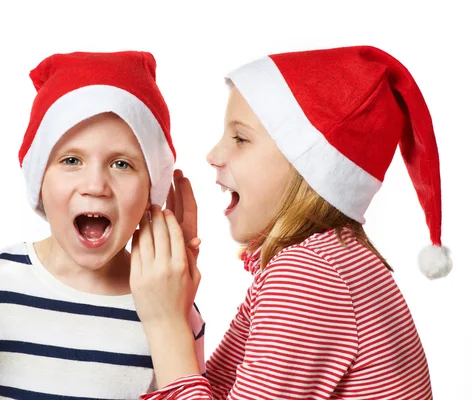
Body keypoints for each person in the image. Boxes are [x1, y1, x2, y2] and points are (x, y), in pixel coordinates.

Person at [0, 51, 205, 399]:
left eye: (122, 164)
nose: (95, 184)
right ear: (39, 182)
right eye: (71, 160)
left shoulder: (169, 305)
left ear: (152, 189)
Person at [130, 45, 452, 400]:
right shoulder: (330, 261)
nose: (214, 155)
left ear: (309, 168)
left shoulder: (310, 275)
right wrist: (177, 301)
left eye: (240, 138)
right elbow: (216, 390)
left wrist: (165, 322)